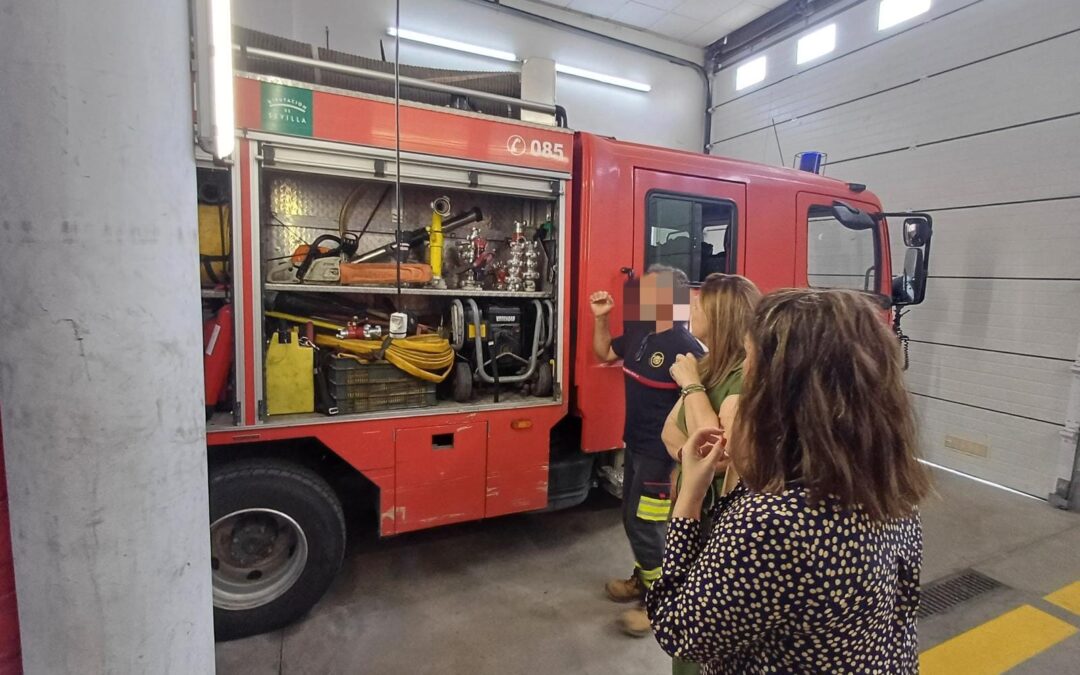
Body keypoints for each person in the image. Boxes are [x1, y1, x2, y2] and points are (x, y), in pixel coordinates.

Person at [647, 289, 931, 674]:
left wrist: (689, 501)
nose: (746, 380)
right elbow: (902, 608)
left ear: (783, 389)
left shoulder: (771, 524)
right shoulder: (890, 486)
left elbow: (680, 632)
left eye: (751, 364)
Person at [591, 266, 703, 638]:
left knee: (646, 525)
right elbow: (604, 351)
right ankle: (644, 578)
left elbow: (700, 407)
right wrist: (602, 318)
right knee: (631, 517)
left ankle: (660, 601)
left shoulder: (687, 348)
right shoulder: (640, 332)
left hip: (661, 456)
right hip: (636, 446)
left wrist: (682, 463)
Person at [660, 273, 760, 675]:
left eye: (700, 305)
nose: (691, 309)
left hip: (716, 521)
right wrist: (691, 457)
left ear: (721, 317)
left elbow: (715, 444)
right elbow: (670, 432)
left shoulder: (741, 377)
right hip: (692, 511)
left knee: (697, 627)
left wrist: (690, 386)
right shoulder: (705, 366)